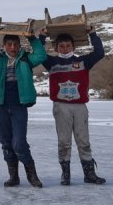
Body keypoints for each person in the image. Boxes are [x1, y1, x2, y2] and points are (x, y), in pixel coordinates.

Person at [39, 26, 106, 185]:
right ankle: (65, 174)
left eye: (68, 46)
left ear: (73, 47)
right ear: (56, 48)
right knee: (64, 142)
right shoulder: (52, 62)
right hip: (61, 106)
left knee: (83, 141)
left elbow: (99, 53)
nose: (64, 49)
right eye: (61, 46)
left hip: (80, 106)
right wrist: (42, 37)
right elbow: (38, 54)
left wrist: (92, 34)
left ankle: (89, 174)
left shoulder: (83, 61)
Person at [0, 29, 47, 188]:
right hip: (1, 105)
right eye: (9, 44)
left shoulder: (26, 60)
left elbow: (41, 55)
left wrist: (32, 38)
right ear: (3, 46)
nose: (12, 47)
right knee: (6, 142)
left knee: (19, 143)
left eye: (15, 44)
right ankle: (13, 176)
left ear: (19, 45)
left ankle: (32, 175)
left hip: (19, 106)